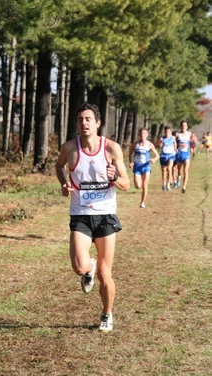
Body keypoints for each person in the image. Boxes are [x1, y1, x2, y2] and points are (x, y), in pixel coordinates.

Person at [55, 102, 130, 332]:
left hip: (105, 214)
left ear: (97, 123)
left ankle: (107, 314)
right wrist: (64, 184)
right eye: (80, 120)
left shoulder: (112, 149)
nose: (84, 123)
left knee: (105, 274)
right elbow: (59, 166)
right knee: (79, 266)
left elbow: (126, 184)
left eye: (88, 119)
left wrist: (114, 176)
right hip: (81, 213)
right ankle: (88, 269)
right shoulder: (69, 148)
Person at [129, 127, 159, 208]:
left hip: (146, 167)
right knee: (137, 186)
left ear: (147, 135)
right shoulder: (135, 144)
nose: (143, 135)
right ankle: (141, 182)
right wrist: (131, 162)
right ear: (139, 135)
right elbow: (130, 154)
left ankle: (142, 202)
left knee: (145, 185)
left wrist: (154, 160)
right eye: (141, 133)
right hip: (137, 167)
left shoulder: (149, 144)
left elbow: (157, 155)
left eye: (144, 133)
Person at [155, 126, 177, 191]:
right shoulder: (161, 139)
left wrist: (175, 148)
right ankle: (163, 184)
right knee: (164, 171)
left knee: (169, 168)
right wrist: (159, 145)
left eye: (169, 132)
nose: (167, 133)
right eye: (166, 132)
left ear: (170, 132)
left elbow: (175, 143)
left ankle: (168, 184)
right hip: (163, 156)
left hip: (171, 156)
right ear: (164, 132)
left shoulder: (173, 138)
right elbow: (155, 146)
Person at [175, 120, 191, 193]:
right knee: (180, 171)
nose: (184, 127)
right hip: (179, 154)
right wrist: (180, 145)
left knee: (185, 171)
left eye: (185, 125)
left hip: (186, 154)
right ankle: (178, 178)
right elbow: (174, 143)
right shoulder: (178, 134)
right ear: (180, 126)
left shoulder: (189, 134)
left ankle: (184, 186)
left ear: (187, 127)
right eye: (182, 125)